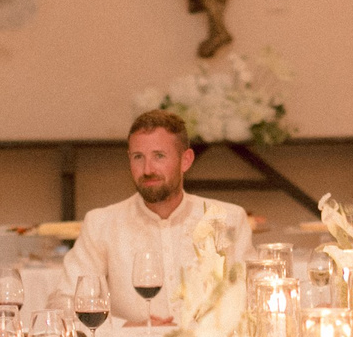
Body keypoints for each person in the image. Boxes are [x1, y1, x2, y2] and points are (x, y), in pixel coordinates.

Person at [62, 110, 251, 325]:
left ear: (186, 160)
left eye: (159, 156)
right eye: (138, 157)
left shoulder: (226, 219)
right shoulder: (101, 224)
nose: (147, 169)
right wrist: (127, 328)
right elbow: (65, 305)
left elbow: (253, 300)